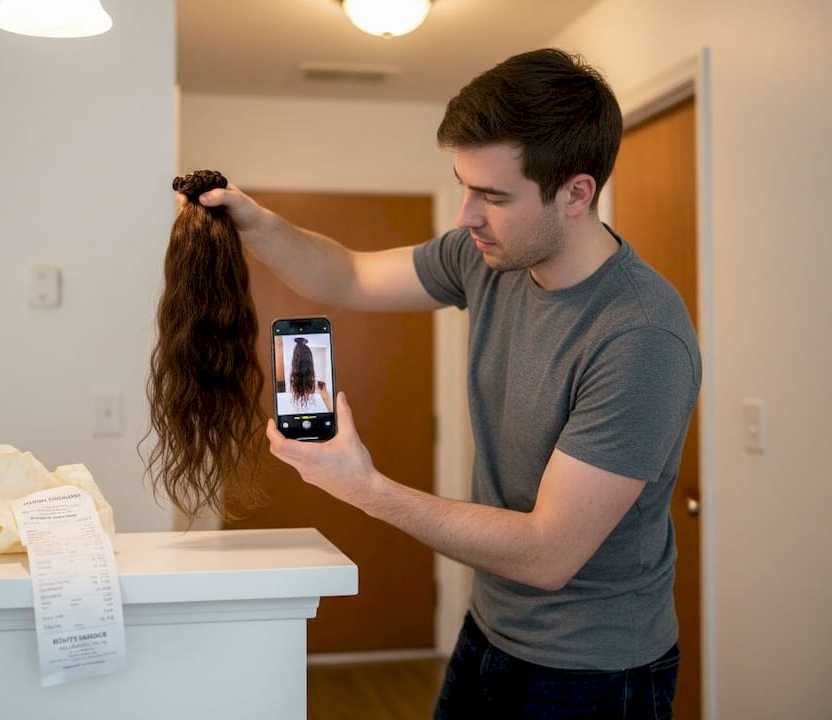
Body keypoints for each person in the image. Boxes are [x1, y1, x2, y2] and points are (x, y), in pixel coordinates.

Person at [187, 48, 701, 719]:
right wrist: (254, 221)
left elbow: (548, 553)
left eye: (492, 196)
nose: (466, 216)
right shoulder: (489, 257)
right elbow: (346, 275)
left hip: (591, 672)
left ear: (576, 192)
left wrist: (366, 490)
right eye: (464, 186)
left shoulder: (641, 337)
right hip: (490, 629)